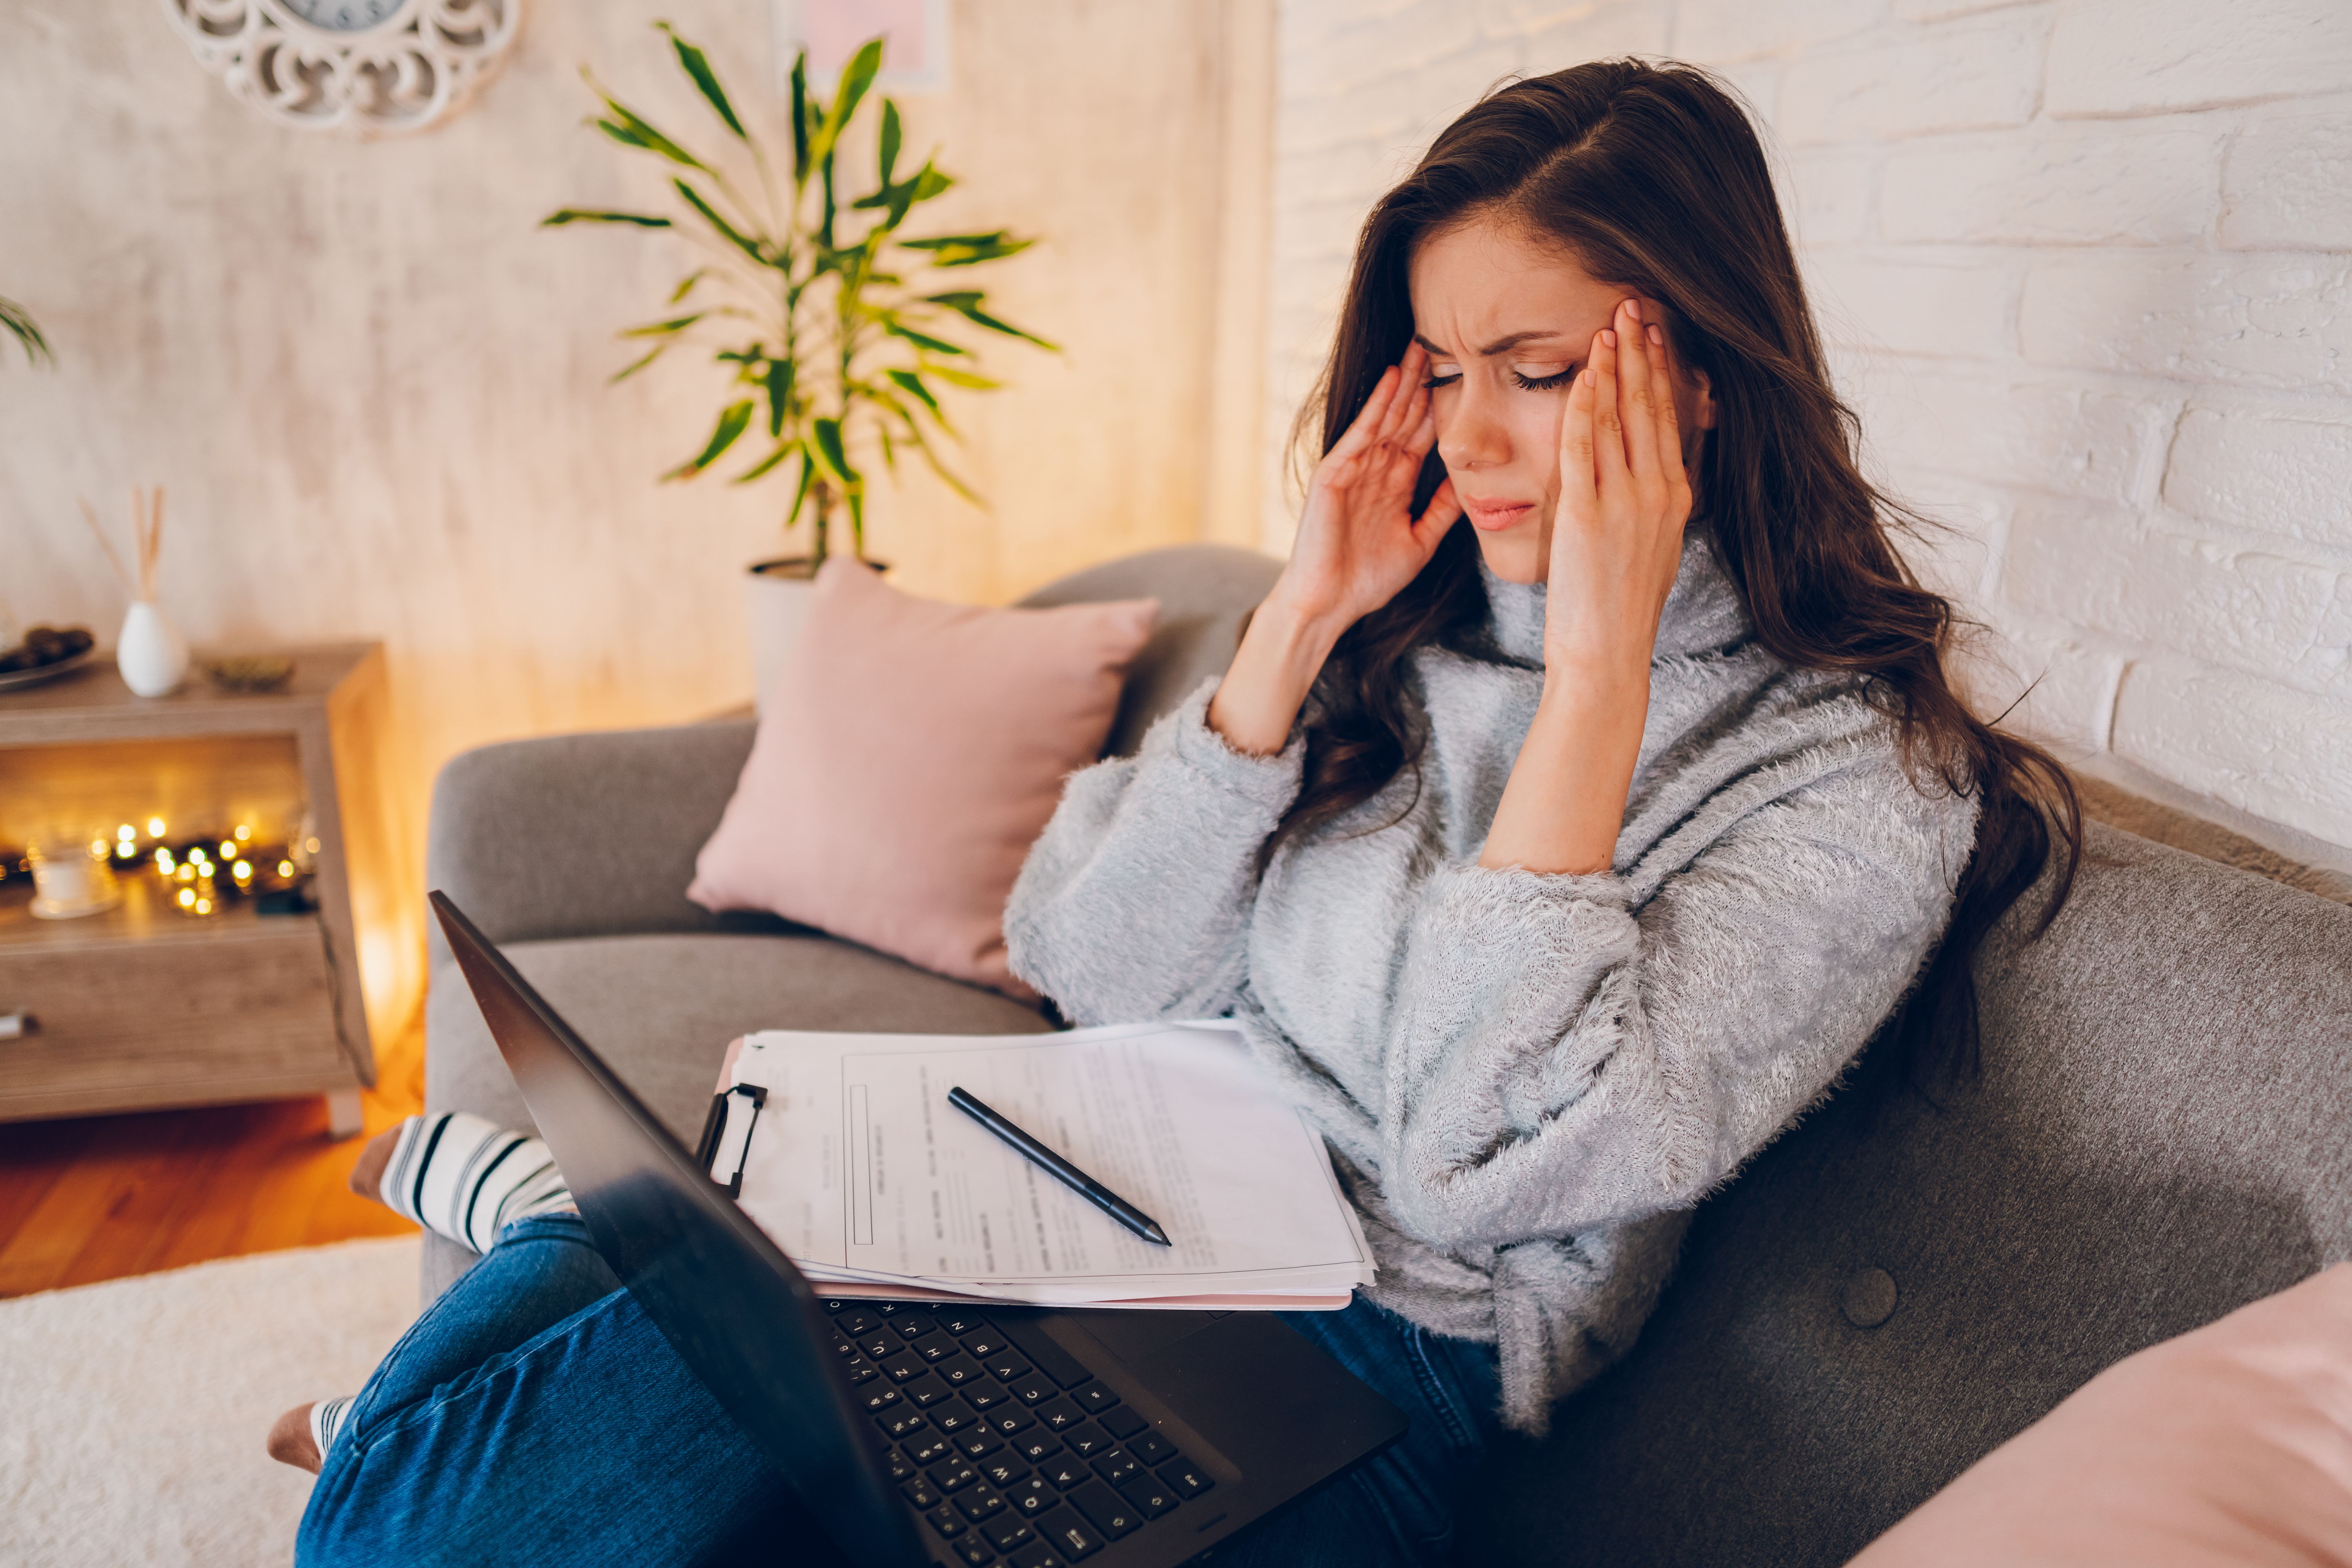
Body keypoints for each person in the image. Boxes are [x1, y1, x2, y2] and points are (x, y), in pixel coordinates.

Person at [274, 58, 2078, 1568]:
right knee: (648, 1296)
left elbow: (1479, 1153)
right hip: (1073, 1184)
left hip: (1366, 1367)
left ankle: (510, 1268)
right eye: (1443, 371)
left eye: (1541, 371)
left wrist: (1598, 680)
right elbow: (1083, 955)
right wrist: (1296, 623)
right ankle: (557, 1246)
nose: (1468, 436)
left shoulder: (1858, 778)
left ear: (1703, 371)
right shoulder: (1396, 628)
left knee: (411, 1515)